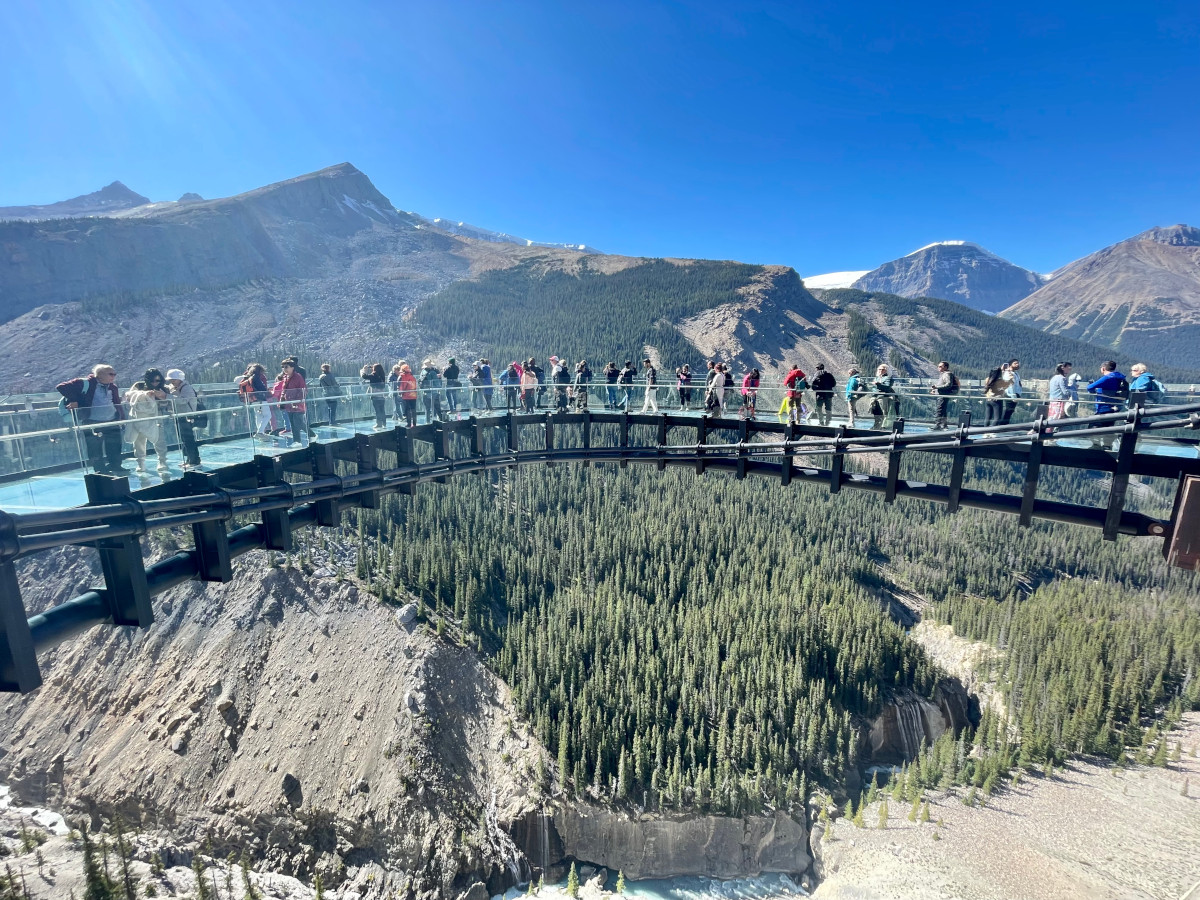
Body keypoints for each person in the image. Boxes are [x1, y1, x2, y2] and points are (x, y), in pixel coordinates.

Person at [57, 364, 126, 475]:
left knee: (115, 445)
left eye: (114, 374)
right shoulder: (86, 383)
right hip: (92, 421)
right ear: (100, 375)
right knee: (94, 448)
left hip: (111, 420)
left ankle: (115, 465)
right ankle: (100, 469)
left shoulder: (112, 387)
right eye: (111, 374)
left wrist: (121, 417)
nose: (114, 376)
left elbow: (116, 402)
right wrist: (75, 400)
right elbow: (62, 387)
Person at [125, 368, 171, 476]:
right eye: (152, 381)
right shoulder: (139, 385)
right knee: (139, 441)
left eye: (157, 381)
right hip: (140, 416)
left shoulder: (164, 389)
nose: (155, 383)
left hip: (156, 416)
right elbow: (128, 396)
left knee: (159, 439)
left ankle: (162, 461)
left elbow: (169, 404)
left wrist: (161, 397)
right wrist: (144, 394)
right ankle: (141, 463)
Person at [164, 368, 204, 467]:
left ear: (180, 379)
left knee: (188, 439)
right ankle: (189, 459)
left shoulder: (186, 388)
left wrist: (166, 396)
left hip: (187, 417)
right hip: (181, 416)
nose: (172, 382)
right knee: (185, 439)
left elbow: (183, 401)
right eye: (171, 380)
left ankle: (194, 460)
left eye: (174, 379)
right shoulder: (176, 388)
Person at [1086, 360, 1128, 448]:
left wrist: (1095, 390)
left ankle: (1096, 446)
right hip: (1116, 406)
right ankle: (1107, 446)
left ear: (1103, 368)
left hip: (1104, 406)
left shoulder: (1108, 377)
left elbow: (1090, 387)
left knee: (1094, 426)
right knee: (1109, 426)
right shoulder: (1120, 377)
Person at [277, 358, 309, 447]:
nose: (284, 369)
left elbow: (303, 389)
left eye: (286, 367)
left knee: (297, 422)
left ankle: (303, 438)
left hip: (297, 404)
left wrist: (298, 401)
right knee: (293, 422)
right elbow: (284, 391)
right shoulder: (285, 377)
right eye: (283, 367)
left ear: (292, 367)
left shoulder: (298, 377)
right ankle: (301, 440)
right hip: (289, 404)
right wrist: (282, 402)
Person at [931, 361, 957, 430]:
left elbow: (948, 384)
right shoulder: (944, 374)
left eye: (940, 366)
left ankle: (938, 425)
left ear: (945, 367)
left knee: (939, 410)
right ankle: (943, 425)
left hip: (943, 395)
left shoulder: (947, 374)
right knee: (943, 410)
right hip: (942, 394)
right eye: (938, 366)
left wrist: (937, 388)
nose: (938, 368)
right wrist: (936, 390)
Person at [362, 363, 388, 428]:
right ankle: (384, 423)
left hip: (375, 396)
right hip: (382, 396)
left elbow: (364, 376)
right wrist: (372, 367)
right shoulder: (382, 375)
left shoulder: (373, 375)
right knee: (382, 410)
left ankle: (379, 424)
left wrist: (363, 370)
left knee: (377, 410)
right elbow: (377, 370)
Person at [1000, 358, 1022, 425]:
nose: (1017, 365)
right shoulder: (1008, 374)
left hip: (1015, 394)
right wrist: (1013, 396)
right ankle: (1003, 426)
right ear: (1010, 365)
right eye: (1015, 363)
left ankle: (1005, 425)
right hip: (1010, 395)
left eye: (1018, 363)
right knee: (1008, 411)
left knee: (1010, 411)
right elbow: (1010, 386)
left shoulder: (1016, 374)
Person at [399, 362, 419, 427]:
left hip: (406, 396)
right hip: (413, 395)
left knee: (407, 410)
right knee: (413, 409)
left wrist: (400, 392)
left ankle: (409, 423)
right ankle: (415, 423)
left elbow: (401, 386)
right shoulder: (412, 377)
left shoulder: (402, 376)